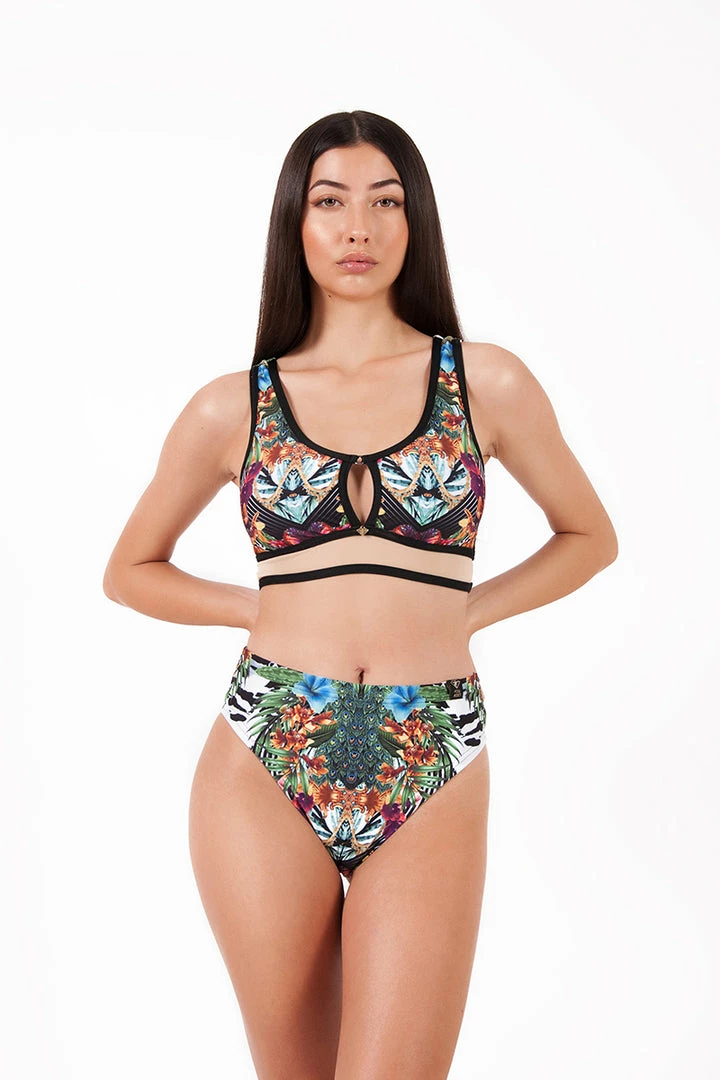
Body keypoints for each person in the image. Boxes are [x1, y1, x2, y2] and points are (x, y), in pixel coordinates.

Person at [103, 110, 618, 1080]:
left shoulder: (484, 383)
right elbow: (129, 570)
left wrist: (468, 613)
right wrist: (255, 610)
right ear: (294, 222)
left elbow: (591, 537)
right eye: (330, 202)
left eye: (386, 203)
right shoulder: (235, 404)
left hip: (432, 744)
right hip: (267, 751)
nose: (358, 229)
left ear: (415, 221)